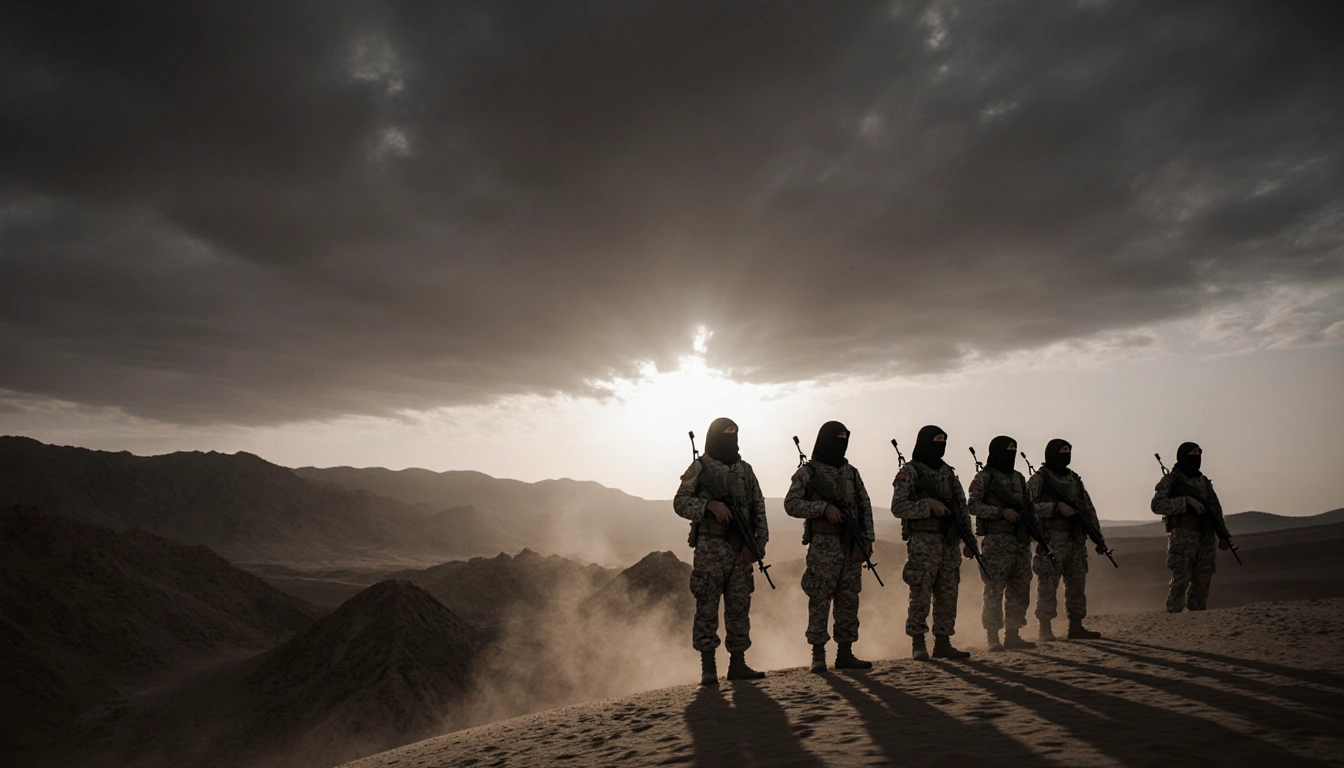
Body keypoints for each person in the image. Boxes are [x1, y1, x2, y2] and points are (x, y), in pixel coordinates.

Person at [674, 417, 769, 685]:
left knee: (739, 606)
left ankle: (738, 664)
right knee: (707, 606)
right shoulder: (700, 468)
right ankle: (708, 669)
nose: (731, 438)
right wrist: (708, 507)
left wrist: (761, 539)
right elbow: (680, 502)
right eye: (726, 434)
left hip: (740, 550)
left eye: (735, 433)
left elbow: (758, 505)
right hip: (710, 548)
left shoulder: (745, 470)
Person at [784, 421, 875, 673]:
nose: (841, 443)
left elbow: (865, 507)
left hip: (850, 545)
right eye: (837, 438)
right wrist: (822, 508)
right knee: (820, 599)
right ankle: (818, 655)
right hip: (823, 546)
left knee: (848, 600)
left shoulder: (851, 473)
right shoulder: (809, 473)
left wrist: (867, 540)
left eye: (845, 438)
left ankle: (845, 653)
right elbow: (791, 504)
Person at [891, 425, 973, 661]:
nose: (941, 445)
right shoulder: (911, 471)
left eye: (944, 441)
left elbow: (961, 508)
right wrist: (927, 505)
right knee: (921, 593)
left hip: (949, 542)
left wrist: (969, 540)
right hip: (923, 543)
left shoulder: (948, 473)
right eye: (936, 440)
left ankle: (943, 642)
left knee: (948, 593)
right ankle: (918, 643)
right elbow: (898, 507)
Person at [1026, 439, 1106, 640]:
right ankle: (1045, 629)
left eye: (1069, 451)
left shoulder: (1074, 479)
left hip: (1075, 540)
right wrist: (1054, 507)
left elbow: (1088, 509)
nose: (1067, 454)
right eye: (1063, 451)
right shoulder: (1039, 479)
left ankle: (1076, 626)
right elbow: (1027, 507)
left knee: (1077, 584)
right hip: (1051, 540)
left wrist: (1098, 538)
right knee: (1048, 584)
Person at [967, 435, 1035, 652]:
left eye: (1015, 448)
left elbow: (1029, 509)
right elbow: (973, 505)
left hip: (1019, 542)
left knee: (1020, 589)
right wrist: (1000, 512)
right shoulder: (984, 477)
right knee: (994, 590)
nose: (1012, 452)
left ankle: (1013, 634)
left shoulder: (1018, 478)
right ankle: (993, 636)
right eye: (1008, 449)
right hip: (996, 541)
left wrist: (1034, 535)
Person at [1151, 442, 1232, 612]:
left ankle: (1197, 623)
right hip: (1183, 537)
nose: (1197, 457)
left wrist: (1223, 535)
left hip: (1206, 537)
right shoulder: (1172, 480)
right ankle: (1173, 622)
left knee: (1203, 581)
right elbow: (1157, 505)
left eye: (1199, 453)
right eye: (1193, 453)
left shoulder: (1204, 482)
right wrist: (1186, 502)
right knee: (1180, 579)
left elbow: (1215, 510)